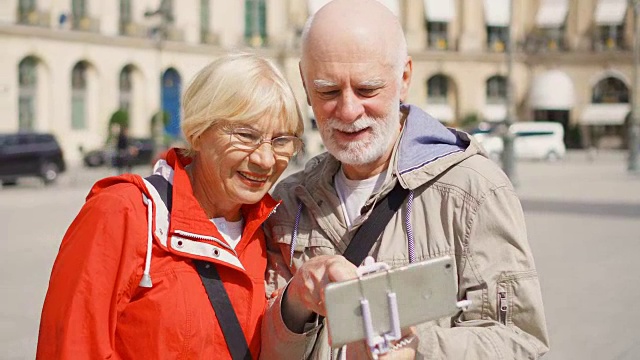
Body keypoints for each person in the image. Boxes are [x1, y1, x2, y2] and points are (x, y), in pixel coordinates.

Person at [260, 1, 550, 359]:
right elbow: (264, 347)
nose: (349, 110)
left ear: (404, 79)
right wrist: (294, 303)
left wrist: (419, 351)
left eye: (367, 89)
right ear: (305, 84)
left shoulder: (473, 191)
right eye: (328, 91)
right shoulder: (289, 200)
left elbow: (521, 343)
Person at [36, 53, 304, 359]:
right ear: (197, 132)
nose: (266, 159)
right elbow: (70, 347)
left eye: (282, 140)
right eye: (246, 135)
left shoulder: (266, 231)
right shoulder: (123, 213)